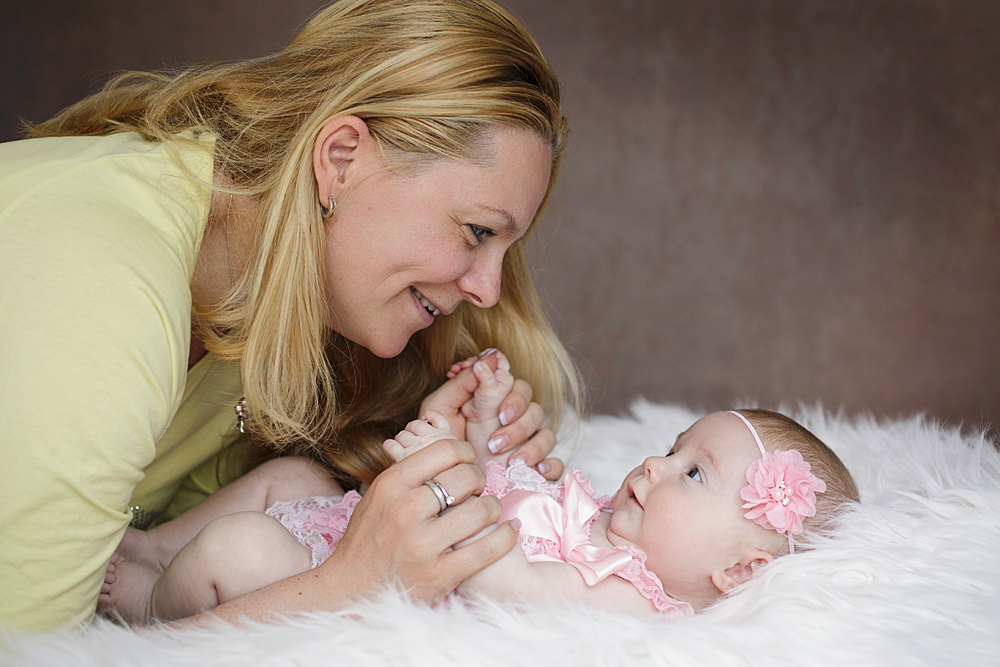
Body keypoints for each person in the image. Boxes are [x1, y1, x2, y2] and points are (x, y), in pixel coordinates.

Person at [0, 0, 583, 632]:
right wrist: (349, 587)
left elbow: (178, 562)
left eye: (505, 249)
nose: (488, 290)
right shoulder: (102, 275)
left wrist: (459, 452)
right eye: (476, 231)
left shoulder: (265, 289)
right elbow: (36, 650)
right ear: (340, 160)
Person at [100, 351, 859, 622]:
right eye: (670, 448)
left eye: (694, 473)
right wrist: (479, 429)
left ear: (739, 568)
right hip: (357, 524)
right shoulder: (597, 516)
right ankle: (152, 542)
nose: (655, 465)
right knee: (293, 476)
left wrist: (449, 477)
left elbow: (497, 571)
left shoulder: (630, 601)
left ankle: (144, 609)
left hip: (342, 579)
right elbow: (512, 485)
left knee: (241, 547)